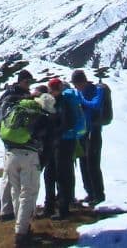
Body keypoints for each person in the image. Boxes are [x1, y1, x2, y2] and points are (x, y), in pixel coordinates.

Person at [0, 87, 54, 247]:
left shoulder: (19, 109)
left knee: (16, 191)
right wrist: (42, 163)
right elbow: (48, 144)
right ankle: (21, 234)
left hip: (10, 154)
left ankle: (20, 226)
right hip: (29, 157)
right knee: (28, 194)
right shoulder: (43, 117)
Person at [43, 77, 85, 219]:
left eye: (54, 89)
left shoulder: (64, 102)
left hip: (63, 142)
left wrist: (54, 132)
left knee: (60, 175)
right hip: (58, 142)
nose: (53, 91)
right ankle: (51, 206)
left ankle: (62, 209)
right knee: (51, 174)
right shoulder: (56, 101)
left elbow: (67, 122)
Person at [0, 69, 35, 219]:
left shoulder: (9, 94)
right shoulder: (16, 96)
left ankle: (7, 208)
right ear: (20, 81)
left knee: (10, 174)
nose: (29, 85)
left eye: (30, 82)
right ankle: (6, 209)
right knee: (9, 175)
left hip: (9, 138)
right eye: (27, 82)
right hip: (13, 140)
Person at [71, 68, 112, 206]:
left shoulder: (98, 90)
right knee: (84, 163)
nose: (76, 87)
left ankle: (98, 194)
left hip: (94, 130)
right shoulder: (81, 92)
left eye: (77, 84)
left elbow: (96, 105)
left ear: (82, 81)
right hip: (83, 132)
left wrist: (81, 100)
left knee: (92, 163)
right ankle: (90, 192)